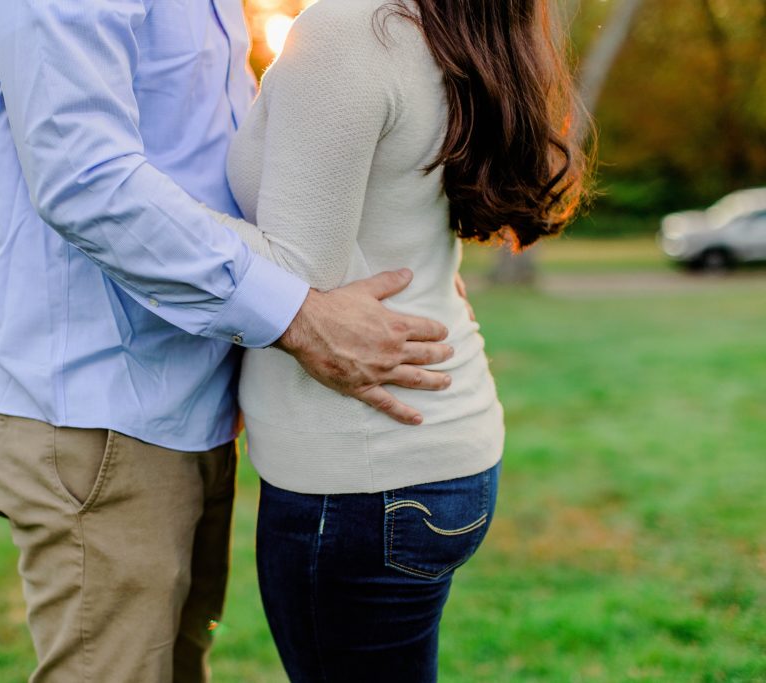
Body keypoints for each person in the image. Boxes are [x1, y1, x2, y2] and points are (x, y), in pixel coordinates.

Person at [0, 1, 462, 682]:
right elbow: (87, 180)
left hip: (182, 396)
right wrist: (299, 317)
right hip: (95, 404)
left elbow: (210, 155)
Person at [204, 0, 587, 680]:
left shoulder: (351, 29)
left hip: (361, 474)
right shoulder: (458, 27)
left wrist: (141, 202)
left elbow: (296, 270)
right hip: (446, 446)